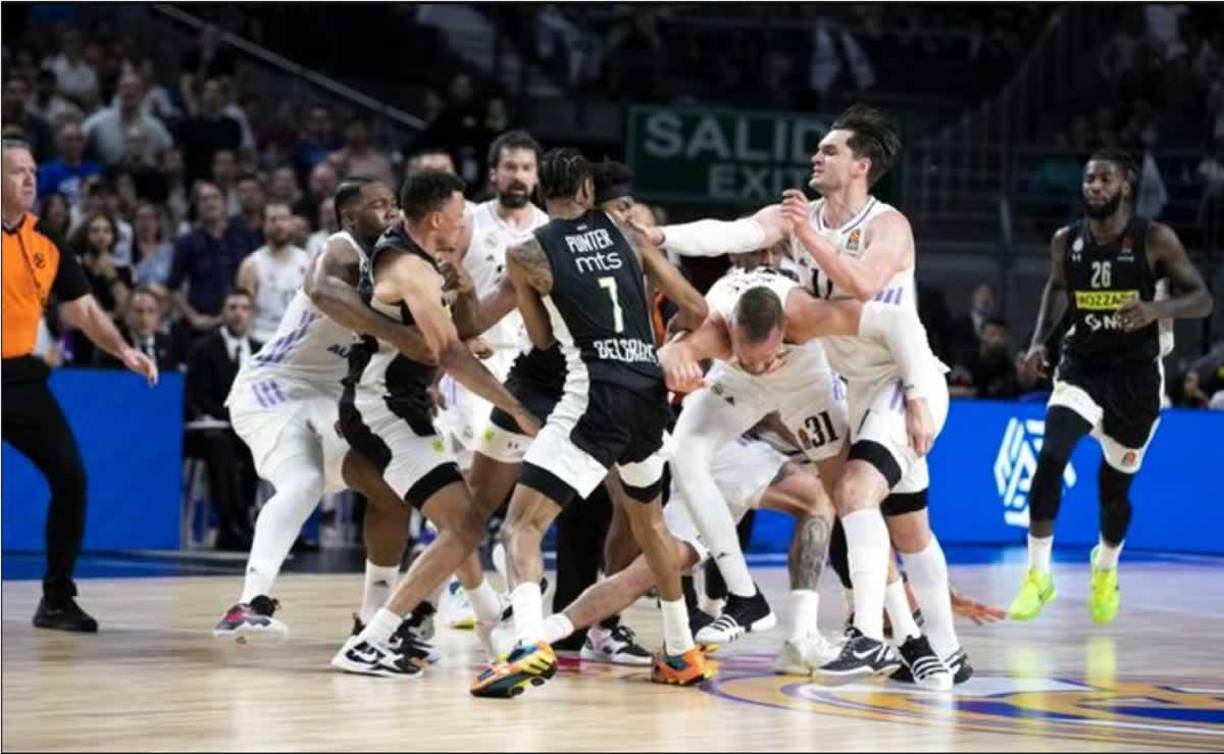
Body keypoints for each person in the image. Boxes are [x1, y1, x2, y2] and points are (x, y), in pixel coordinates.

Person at [639, 104, 968, 682]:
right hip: (859, 386)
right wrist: (662, 236)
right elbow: (734, 233)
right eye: (818, 149)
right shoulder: (796, 215)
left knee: (855, 490)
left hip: (902, 374)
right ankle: (944, 652)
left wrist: (918, 395)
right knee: (909, 527)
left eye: (830, 150)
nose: (816, 156)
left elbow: (865, 284)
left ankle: (867, 635)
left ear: (862, 165)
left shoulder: (886, 224)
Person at [470, 148, 711, 698]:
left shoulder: (527, 251)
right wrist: (668, 343)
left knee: (520, 527)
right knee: (651, 528)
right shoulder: (629, 234)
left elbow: (541, 341)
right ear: (586, 192)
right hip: (649, 397)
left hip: (594, 397)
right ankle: (681, 651)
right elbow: (695, 309)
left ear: (541, 194)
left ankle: (528, 645)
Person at [330, 170, 540, 678]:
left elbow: (457, 331)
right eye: (462, 212)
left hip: (402, 404)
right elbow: (448, 350)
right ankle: (374, 638)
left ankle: (482, 623)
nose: (467, 220)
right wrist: (514, 407)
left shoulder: (421, 260)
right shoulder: (409, 267)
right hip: (381, 409)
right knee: (464, 521)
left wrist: (485, 295)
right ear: (438, 219)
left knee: (460, 520)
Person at [214, 178, 433, 641]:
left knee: (392, 491)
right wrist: (405, 332)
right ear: (350, 217)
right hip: (276, 386)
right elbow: (329, 290)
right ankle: (248, 602)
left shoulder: (400, 264)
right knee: (305, 481)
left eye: (393, 205)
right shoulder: (340, 250)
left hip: (334, 398)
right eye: (378, 206)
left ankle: (375, 621)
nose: (390, 213)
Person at [1010, 149, 1213, 624]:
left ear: (1125, 186)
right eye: (1088, 180)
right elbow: (1058, 288)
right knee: (1051, 456)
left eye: (1104, 180)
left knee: (1113, 493)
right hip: (1082, 368)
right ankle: (1038, 576)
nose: (1094, 187)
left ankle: (1106, 565)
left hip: (1136, 380)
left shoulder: (1154, 239)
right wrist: (1040, 341)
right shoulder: (1067, 241)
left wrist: (1154, 310)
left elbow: (1202, 298)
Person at [1, 139, 157, 632]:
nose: (29, 179)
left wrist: (125, 350)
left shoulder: (46, 239)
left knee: (71, 477)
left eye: (32, 170)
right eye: (16, 171)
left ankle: (56, 599)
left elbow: (84, 310)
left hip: (21, 377)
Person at [184, 288, 263, 550]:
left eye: (244, 308)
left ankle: (249, 519)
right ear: (223, 312)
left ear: (251, 314)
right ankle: (228, 525)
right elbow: (199, 397)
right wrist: (234, 418)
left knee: (262, 447)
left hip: (246, 428)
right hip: (210, 428)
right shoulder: (203, 349)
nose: (238, 314)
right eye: (232, 307)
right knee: (220, 446)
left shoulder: (260, 351)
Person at [236, 202, 311, 343]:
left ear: (292, 223)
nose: (279, 225)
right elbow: (243, 311)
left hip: (299, 339)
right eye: (273, 220)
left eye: (284, 219)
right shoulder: (251, 265)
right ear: (263, 224)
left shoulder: (307, 262)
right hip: (262, 338)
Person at [93, 286, 182, 373]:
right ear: (127, 314)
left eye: (151, 311)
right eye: (139, 311)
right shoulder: (113, 347)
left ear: (159, 315)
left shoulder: (170, 345)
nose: (145, 318)